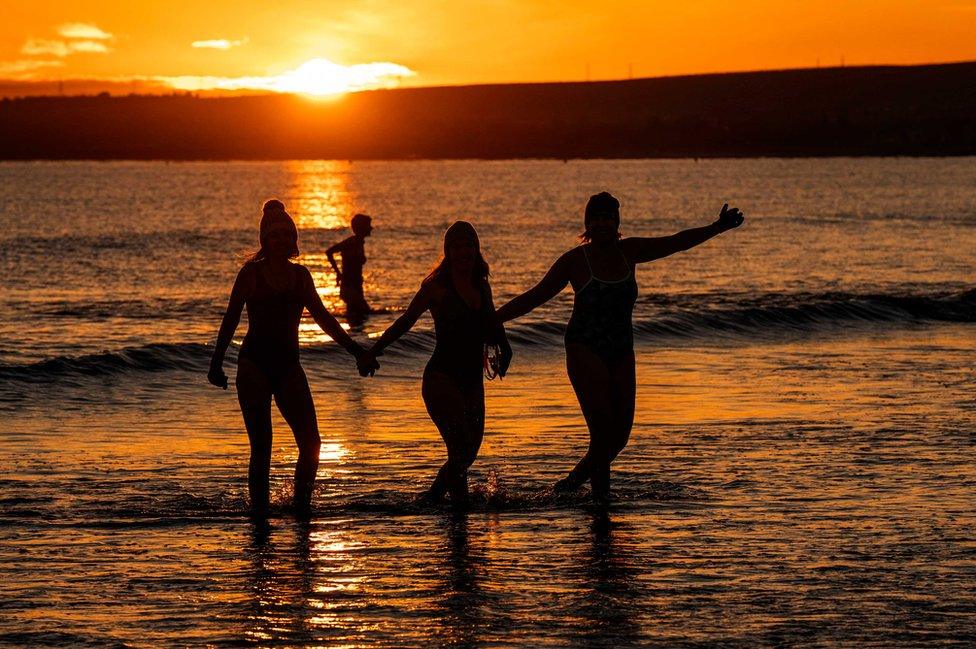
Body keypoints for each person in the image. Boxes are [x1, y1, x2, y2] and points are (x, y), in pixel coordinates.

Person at [495, 192, 744, 503]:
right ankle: (601, 504)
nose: (602, 223)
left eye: (608, 217)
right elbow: (535, 296)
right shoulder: (574, 261)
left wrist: (716, 227)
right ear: (587, 223)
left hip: (622, 350)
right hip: (584, 348)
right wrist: (493, 320)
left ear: (617, 222)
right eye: (596, 217)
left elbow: (676, 242)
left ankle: (570, 485)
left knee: (620, 436)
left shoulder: (631, 251)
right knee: (601, 434)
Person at [208, 199, 378, 518]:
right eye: (274, 236)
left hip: (289, 367)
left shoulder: (301, 277)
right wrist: (216, 363)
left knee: (311, 445)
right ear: (264, 240)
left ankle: (301, 509)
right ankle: (259, 516)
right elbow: (230, 318)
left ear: (293, 241)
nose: (281, 241)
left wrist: (359, 353)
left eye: (287, 236)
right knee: (262, 448)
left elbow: (326, 320)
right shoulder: (250, 274)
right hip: (254, 366)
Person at [362, 221, 512, 506]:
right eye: (456, 246)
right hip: (441, 377)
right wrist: (373, 350)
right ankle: (459, 513)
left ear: (476, 249)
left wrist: (506, 348)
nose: (463, 251)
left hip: (472, 379)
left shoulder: (482, 286)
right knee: (458, 450)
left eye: (469, 245)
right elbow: (406, 321)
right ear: (448, 251)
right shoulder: (436, 288)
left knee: (468, 453)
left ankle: (433, 499)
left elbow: (492, 322)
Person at [326, 213, 373, 322]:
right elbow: (329, 252)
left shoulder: (359, 242)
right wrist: (338, 273)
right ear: (362, 228)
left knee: (358, 318)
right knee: (360, 316)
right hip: (349, 286)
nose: (371, 228)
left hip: (356, 286)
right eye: (368, 225)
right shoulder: (351, 242)